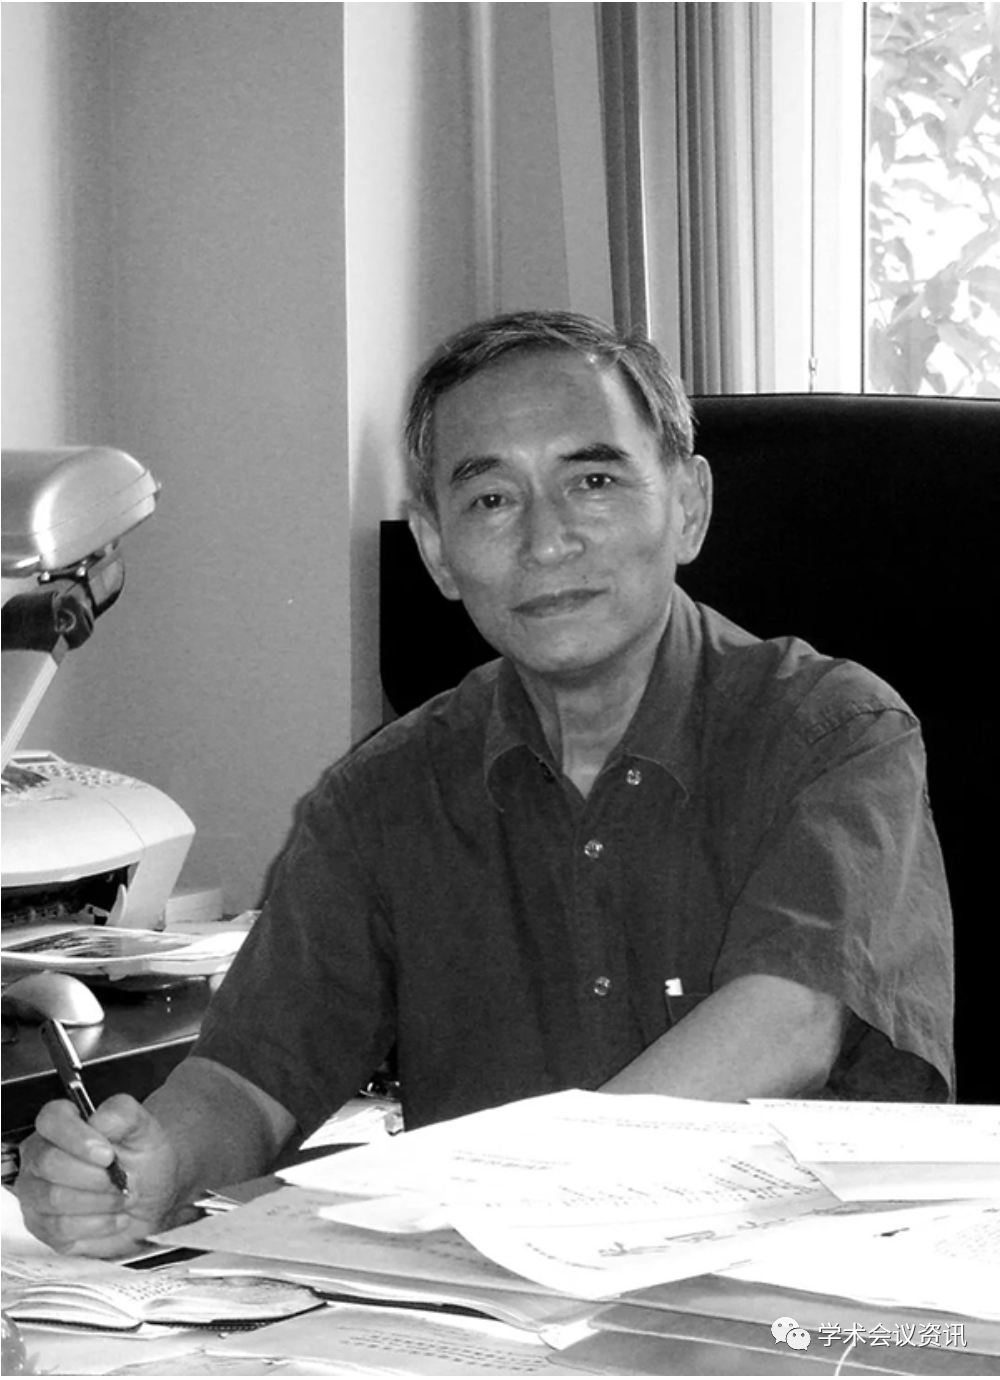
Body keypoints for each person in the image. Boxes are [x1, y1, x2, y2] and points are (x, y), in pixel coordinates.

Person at [16, 310, 954, 1258]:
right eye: (492, 499)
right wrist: (156, 1168)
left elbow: (790, 1022)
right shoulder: (383, 797)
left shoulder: (833, 733)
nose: (546, 541)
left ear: (688, 506)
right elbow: (251, 1080)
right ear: (436, 550)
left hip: (809, 1297)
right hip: (494, 1309)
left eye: (593, 481)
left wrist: (525, 1193)